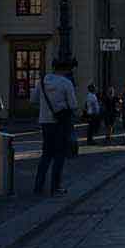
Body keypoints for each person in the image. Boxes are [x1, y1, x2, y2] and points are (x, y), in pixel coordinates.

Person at [35, 56, 79, 196]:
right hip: (60, 123)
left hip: (45, 122)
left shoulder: (42, 82)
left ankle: (38, 186)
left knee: (46, 154)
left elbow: (33, 99)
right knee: (59, 155)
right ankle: (56, 186)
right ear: (65, 68)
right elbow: (73, 105)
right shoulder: (66, 83)